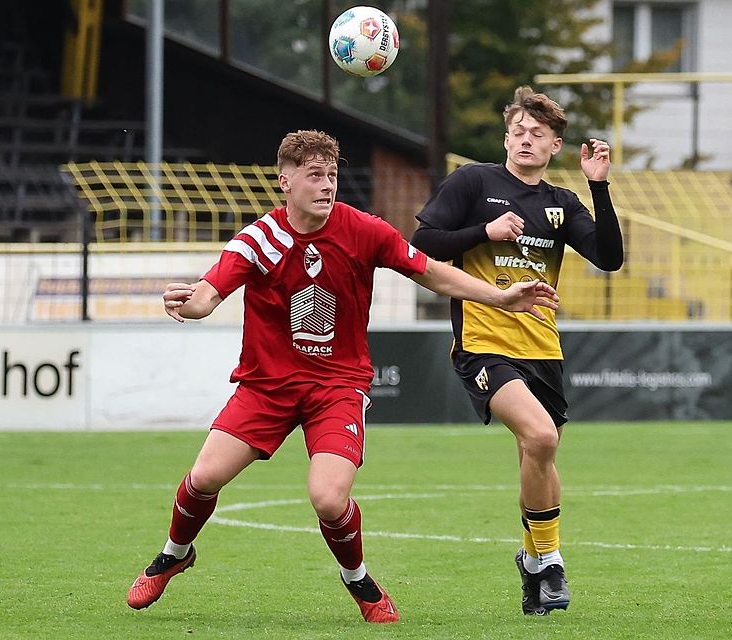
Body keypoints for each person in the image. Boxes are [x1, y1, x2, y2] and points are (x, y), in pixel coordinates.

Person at [126, 130, 560, 624]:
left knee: (329, 499)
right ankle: (175, 554)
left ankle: (358, 580)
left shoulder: (363, 229)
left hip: (337, 387)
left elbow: (429, 271)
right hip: (266, 387)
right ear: (285, 181)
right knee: (204, 477)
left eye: (332, 174)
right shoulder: (259, 239)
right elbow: (208, 294)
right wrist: (189, 304)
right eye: (315, 175)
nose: (327, 184)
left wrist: (499, 297)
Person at [410, 86, 624, 616]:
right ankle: (550, 562)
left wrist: (598, 186)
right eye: (518, 132)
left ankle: (530, 562)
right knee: (541, 435)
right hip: (483, 342)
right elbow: (422, 244)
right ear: (506, 138)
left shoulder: (561, 203)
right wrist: (484, 230)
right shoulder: (474, 182)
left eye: (537, 134)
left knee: (538, 456)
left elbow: (608, 257)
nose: (526, 140)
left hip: (542, 346)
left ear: (555, 147)